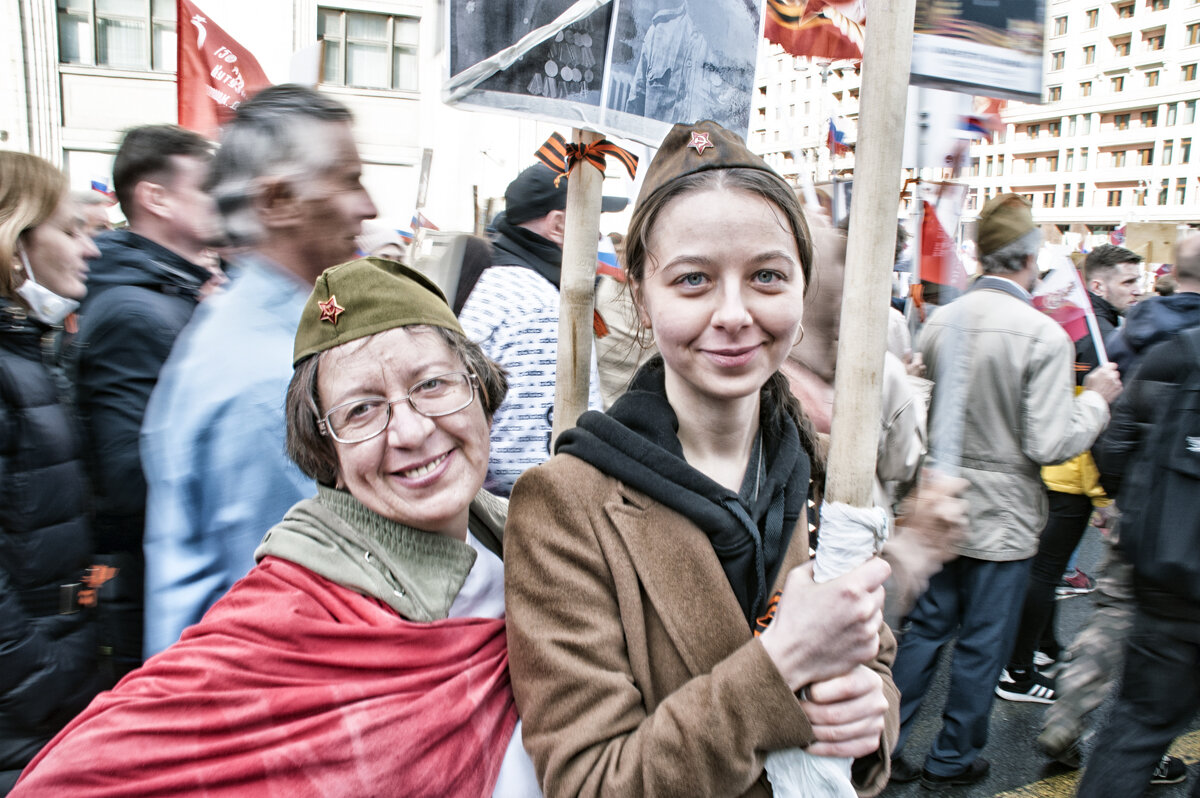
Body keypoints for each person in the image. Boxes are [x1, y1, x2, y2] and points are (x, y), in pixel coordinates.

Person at [11, 257, 539, 797]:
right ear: (325, 450)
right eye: (360, 411)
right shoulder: (285, 616)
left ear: (480, 387)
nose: (409, 430)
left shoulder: (536, 543)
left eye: (431, 383)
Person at [504, 121, 898, 797]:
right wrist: (778, 667)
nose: (735, 313)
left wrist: (871, 717)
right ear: (641, 297)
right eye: (693, 281)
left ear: (803, 289)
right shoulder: (566, 505)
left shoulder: (836, 472)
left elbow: (872, 660)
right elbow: (590, 782)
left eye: (768, 276)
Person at [888, 194, 1122, 791]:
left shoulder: (940, 320)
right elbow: (1049, 441)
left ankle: (885, 747)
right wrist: (1094, 399)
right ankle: (951, 757)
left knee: (925, 634)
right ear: (1029, 259)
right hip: (1006, 519)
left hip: (938, 501)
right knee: (981, 647)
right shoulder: (1042, 334)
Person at [140, 84, 379, 657]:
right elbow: (306, 608)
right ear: (276, 202)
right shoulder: (266, 381)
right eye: (347, 180)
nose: (367, 206)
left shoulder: (270, 327)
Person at [67, 124, 221, 679]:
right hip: (150, 586)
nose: (221, 199)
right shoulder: (135, 311)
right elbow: (131, 477)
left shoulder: (170, 293)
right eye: (207, 186)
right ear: (155, 198)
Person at [998, 244, 1144, 703]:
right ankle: (1017, 670)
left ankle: (1040, 650)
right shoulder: (1091, 331)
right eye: (1127, 282)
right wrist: (1103, 496)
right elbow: (1094, 418)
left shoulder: (1093, 326)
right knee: (1046, 572)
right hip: (1072, 469)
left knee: (1047, 571)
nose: (1136, 291)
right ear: (1096, 285)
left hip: (1067, 465)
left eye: (1138, 281)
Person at [0, 152, 102, 792]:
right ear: (15, 243)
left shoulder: (26, 352)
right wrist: (46, 676)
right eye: (70, 230)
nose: (91, 249)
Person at [1076, 315, 1200, 797]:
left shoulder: (1181, 352)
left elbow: (1115, 446)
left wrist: (1140, 515)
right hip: (1166, 582)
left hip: (1167, 576)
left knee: (1136, 729)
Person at [458, 161, 623, 495]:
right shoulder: (539, 311)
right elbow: (526, 467)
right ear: (559, 225)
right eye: (595, 220)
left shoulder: (506, 284)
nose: (599, 237)